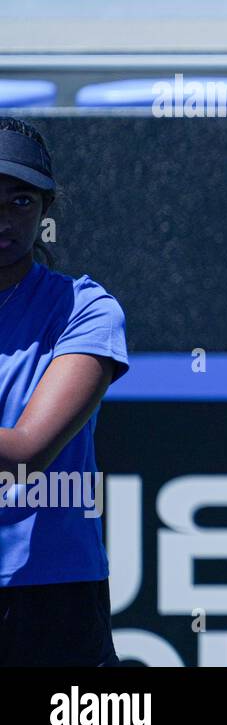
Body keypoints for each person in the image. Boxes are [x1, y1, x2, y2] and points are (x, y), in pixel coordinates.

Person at [0, 118, 130, 667]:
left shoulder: (86, 309)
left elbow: (27, 456)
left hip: (53, 601)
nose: (4, 218)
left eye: (22, 200)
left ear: (45, 210)